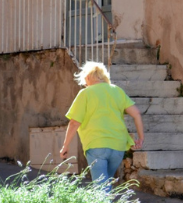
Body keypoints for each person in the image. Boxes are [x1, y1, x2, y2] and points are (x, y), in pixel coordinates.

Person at [60, 61, 144, 191]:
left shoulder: (85, 93)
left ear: (88, 77)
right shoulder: (117, 91)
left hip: (96, 144)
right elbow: (136, 113)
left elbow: (74, 122)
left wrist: (65, 146)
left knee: (101, 187)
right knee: (105, 184)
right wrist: (141, 138)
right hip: (118, 146)